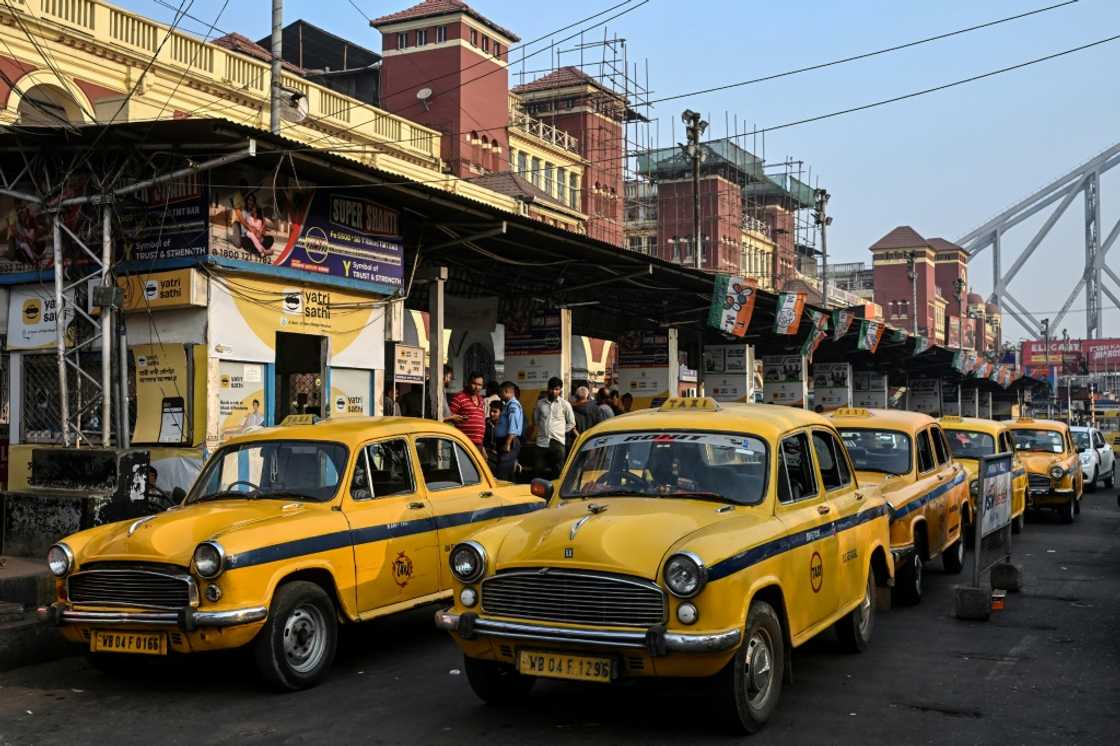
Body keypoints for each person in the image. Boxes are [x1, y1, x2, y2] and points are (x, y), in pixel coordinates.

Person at [535, 377, 576, 479]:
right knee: (538, 470)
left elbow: (571, 423)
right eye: (552, 389)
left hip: (558, 442)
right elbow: (536, 420)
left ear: (560, 390)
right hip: (542, 442)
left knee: (558, 472)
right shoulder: (540, 404)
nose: (554, 392)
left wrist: (561, 431)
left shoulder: (565, 405)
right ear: (548, 388)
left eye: (557, 389)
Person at [448, 371, 487, 451]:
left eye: (479, 385)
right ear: (468, 383)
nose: (476, 387)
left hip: (478, 444)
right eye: (474, 383)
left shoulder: (481, 400)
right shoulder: (459, 397)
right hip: (463, 443)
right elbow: (448, 418)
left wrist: (482, 446)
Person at [494, 381, 524, 481]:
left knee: (502, 474)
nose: (499, 395)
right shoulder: (508, 405)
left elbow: (513, 425)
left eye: (500, 392)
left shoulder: (513, 406)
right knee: (508, 473)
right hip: (505, 441)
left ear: (507, 391)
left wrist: (507, 443)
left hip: (509, 441)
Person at [483, 399, 503, 470]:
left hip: (500, 456)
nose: (491, 413)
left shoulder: (504, 426)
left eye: (495, 412)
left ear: (501, 413)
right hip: (486, 455)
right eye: (491, 411)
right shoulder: (485, 423)